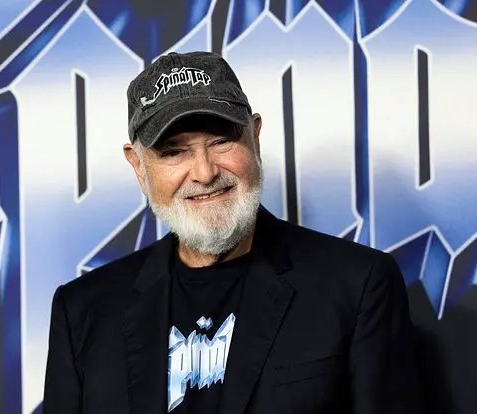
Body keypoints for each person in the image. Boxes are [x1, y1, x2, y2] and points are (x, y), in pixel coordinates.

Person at [43, 51, 423, 414]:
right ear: (139, 167)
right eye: (174, 152)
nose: (205, 172)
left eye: (221, 141)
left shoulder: (357, 285)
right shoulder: (82, 312)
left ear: (255, 138)